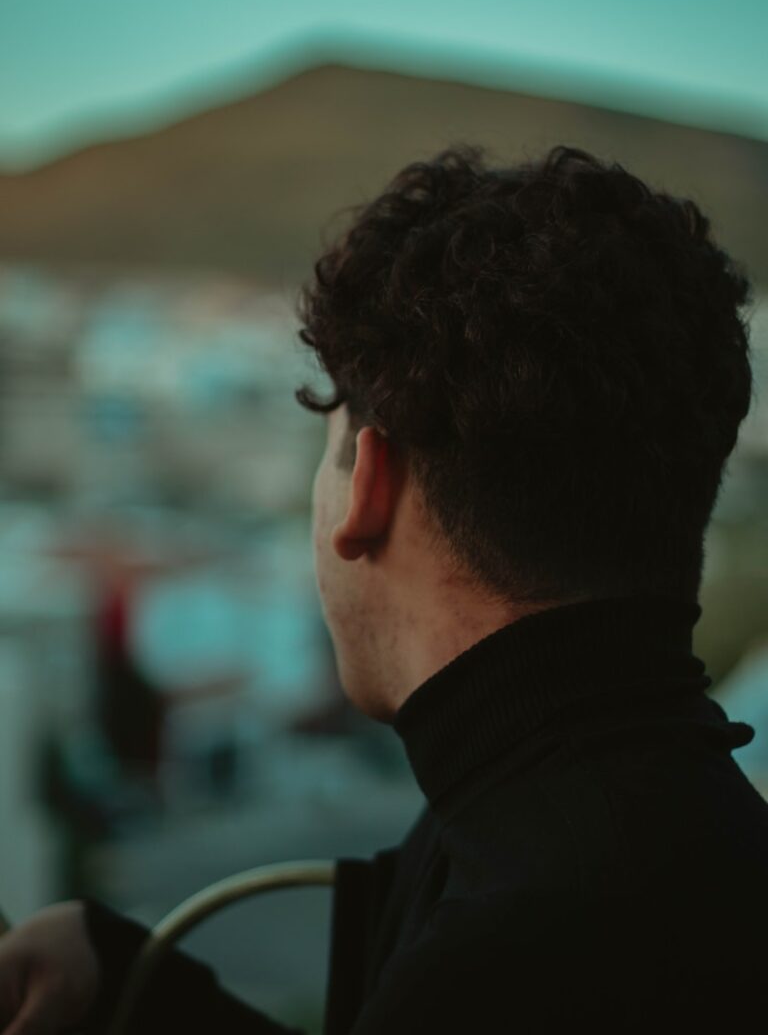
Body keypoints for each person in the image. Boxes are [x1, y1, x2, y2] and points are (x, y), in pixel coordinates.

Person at [1, 145, 767, 1033]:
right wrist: (124, 984)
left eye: (325, 456)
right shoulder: (642, 830)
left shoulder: (513, 946)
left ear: (368, 485)